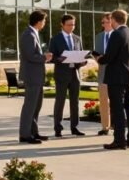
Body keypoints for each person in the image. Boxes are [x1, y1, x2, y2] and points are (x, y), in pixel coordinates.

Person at [98, 9, 129, 150]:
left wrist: (99, 58)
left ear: (114, 20)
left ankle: (119, 141)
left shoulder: (116, 34)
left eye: (110, 20)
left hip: (116, 77)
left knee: (118, 108)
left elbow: (109, 57)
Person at [19, 10, 53, 144]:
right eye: (44, 21)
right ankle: (25, 134)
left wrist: (44, 57)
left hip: (36, 76)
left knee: (36, 106)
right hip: (31, 76)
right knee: (30, 106)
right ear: (38, 22)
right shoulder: (28, 34)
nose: (44, 23)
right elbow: (30, 56)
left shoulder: (34, 33)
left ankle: (33, 132)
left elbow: (33, 54)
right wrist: (45, 57)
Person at [50, 14, 85, 137]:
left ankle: (75, 127)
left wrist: (82, 62)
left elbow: (81, 54)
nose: (71, 27)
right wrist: (60, 59)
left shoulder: (77, 38)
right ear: (62, 24)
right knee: (60, 101)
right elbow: (51, 57)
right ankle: (58, 128)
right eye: (69, 25)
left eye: (73, 25)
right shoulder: (55, 39)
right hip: (61, 74)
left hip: (75, 74)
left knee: (75, 102)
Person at [92, 13, 114, 136]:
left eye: (106, 22)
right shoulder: (99, 37)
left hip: (116, 72)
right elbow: (97, 53)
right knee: (104, 100)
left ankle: (116, 125)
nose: (103, 25)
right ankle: (105, 127)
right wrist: (97, 57)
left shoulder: (118, 35)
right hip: (103, 72)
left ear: (111, 22)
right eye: (102, 22)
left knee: (116, 101)